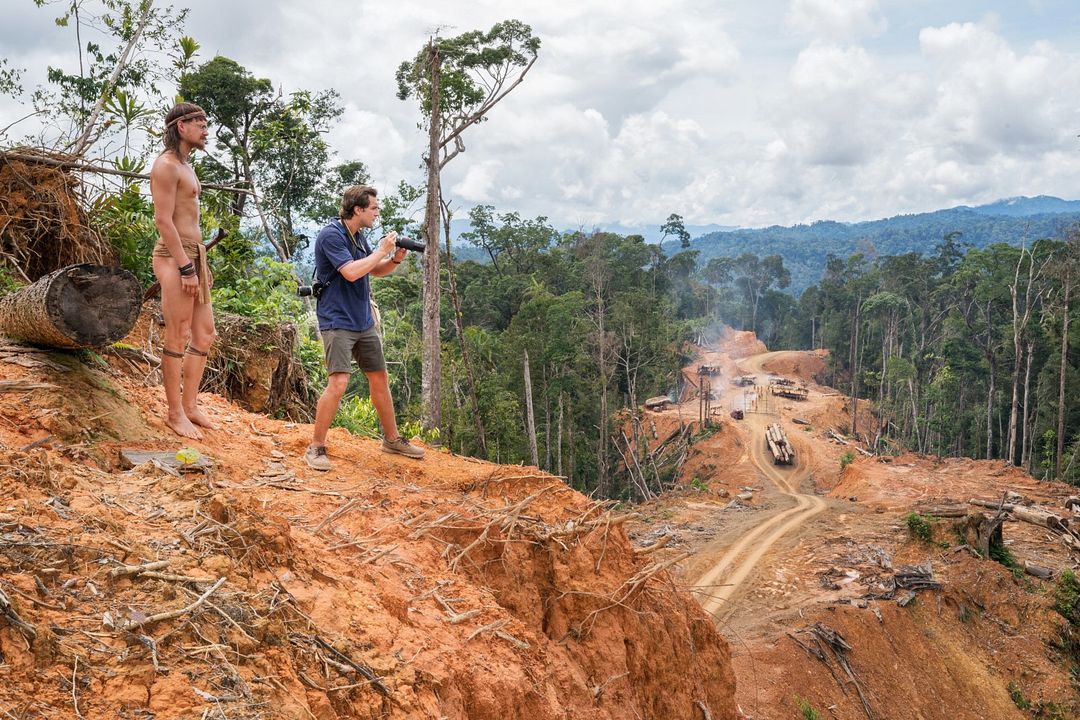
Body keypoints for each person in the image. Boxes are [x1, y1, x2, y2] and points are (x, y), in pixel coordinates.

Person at [303, 185, 424, 470]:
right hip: (337, 321)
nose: (377, 212)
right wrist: (382, 250)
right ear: (358, 209)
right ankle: (316, 447)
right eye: (373, 208)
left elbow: (374, 271)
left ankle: (392, 440)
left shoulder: (359, 237)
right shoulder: (331, 235)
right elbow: (352, 272)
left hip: (363, 319)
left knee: (379, 378)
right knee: (339, 382)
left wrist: (393, 259)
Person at [149, 102, 218, 440]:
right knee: (177, 334)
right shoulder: (165, 166)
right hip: (174, 258)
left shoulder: (186, 166)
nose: (206, 130)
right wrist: (186, 268)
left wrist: (199, 264)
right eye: (200, 124)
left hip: (194, 256)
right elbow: (164, 222)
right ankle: (174, 413)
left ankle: (190, 405)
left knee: (204, 334)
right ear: (181, 127)